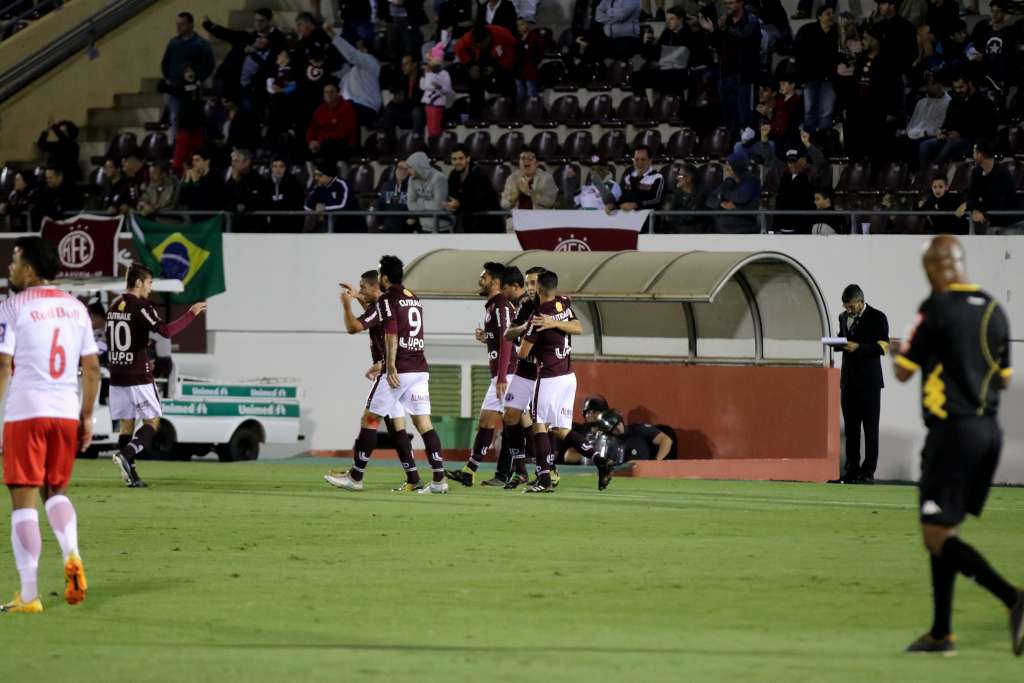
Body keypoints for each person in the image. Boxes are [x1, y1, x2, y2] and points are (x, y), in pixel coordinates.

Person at [893, 235, 1023, 656]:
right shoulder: (993, 310)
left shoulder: (934, 310)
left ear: (935, 267)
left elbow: (902, 372)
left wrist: (905, 352)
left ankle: (1013, 598)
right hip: (989, 434)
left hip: (952, 433)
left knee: (934, 534)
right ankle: (941, 632)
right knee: (944, 531)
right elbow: (1003, 378)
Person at [0, 237, 100, 614]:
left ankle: (29, 595)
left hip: (26, 411)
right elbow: (91, 369)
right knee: (55, 491)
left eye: (13, 261)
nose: (9, 268)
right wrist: (86, 416)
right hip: (63, 411)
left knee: (23, 499)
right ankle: (71, 552)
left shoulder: (12, 307)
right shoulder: (76, 310)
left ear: (29, 269)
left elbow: (3, 364)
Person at [326, 256, 449, 494]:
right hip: (419, 369)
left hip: (398, 371)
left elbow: (387, 332)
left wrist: (389, 365)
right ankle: (438, 480)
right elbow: (384, 319)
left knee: (370, 420)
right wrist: (359, 297)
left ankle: (356, 476)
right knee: (423, 424)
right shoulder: (412, 298)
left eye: (364, 285)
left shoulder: (387, 300)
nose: (362, 289)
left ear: (382, 278)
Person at [106, 264, 207, 488]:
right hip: (137, 375)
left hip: (117, 375)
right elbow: (166, 332)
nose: (150, 289)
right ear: (139, 282)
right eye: (150, 283)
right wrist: (191, 313)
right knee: (152, 421)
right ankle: (126, 454)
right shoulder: (141, 307)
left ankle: (131, 475)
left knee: (126, 425)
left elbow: (118, 339)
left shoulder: (114, 306)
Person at [517, 270, 591, 493]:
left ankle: (544, 478)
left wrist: (540, 328)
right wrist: (557, 323)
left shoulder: (538, 315)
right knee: (559, 429)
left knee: (538, 424)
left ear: (539, 289)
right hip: (568, 376)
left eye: (532, 284)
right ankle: (597, 457)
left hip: (549, 375)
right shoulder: (563, 303)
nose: (530, 288)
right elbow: (577, 327)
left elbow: (522, 353)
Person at [447, 263, 516, 487]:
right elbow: (501, 338)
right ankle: (469, 471)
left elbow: (507, 341)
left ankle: (537, 470)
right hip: (501, 374)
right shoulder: (493, 306)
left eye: (483, 276)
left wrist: (503, 376)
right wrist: (487, 337)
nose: (480, 280)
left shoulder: (502, 306)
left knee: (519, 424)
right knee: (489, 420)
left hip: (510, 374)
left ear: (495, 281)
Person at [833, 284, 889, 484]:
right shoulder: (843, 318)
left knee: (870, 429)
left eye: (850, 306)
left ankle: (868, 472)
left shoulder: (877, 317)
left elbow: (882, 346)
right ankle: (852, 471)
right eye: (846, 307)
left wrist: (859, 347)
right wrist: (836, 343)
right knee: (851, 429)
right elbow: (843, 340)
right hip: (849, 382)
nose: (848, 310)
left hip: (870, 383)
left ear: (860, 301)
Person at [501, 266, 545, 489]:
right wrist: (525, 327)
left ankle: (548, 470)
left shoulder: (553, 307)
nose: (530, 287)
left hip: (544, 372)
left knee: (546, 426)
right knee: (509, 416)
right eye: (527, 283)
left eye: (533, 283)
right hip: (523, 370)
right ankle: (520, 470)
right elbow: (509, 333)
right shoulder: (526, 306)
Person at [698, 0, 761, 138]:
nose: (728, 6)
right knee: (729, 119)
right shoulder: (725, 21)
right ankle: (732, 152)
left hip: (743, 76)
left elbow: (743, 36)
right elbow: (714, 44)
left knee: (745, 118)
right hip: (725, 75)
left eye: (731, 3)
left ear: (740, 3)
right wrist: (711, 30)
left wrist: (723, 28)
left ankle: (747, 153)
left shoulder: (750, 19)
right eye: (726, 3)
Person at [160, 12, 215, 141]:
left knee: (191, 120)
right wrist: (168, 78)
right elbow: (165, 62)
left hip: (191, 91)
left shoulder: (201, 44)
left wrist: (197, 77)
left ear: (190, 25)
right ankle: (176, 144)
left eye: (182, 24)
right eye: (177, 24)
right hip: (174, 88)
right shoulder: (173, 43)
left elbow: (209, 65)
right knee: (174, 117)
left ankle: (192, 146)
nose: (178, 27)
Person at [454, 25, 518, 120]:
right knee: (474, 84)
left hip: (501, 60)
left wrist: (497, 69)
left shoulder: (504, 35)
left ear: (488, 38)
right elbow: (458, 48)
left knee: (508, 82)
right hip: (480, 59)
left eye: (482, 45)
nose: (480, 47)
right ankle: (476, 117)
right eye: (477, 45)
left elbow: (512, 54)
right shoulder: (468, 37)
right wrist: (470, 65)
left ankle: (511, 115)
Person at [795, 7, 839, 133]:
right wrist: (800, 78)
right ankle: (810, 141)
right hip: (810, 77)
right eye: (828, 14)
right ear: (819, 16)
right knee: (810, 111)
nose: (831, 16)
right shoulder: (807, 30)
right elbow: (799, 55)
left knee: (826, 112)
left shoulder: (837, 31)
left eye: (832, 13)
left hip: (829, 78)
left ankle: (824, 142)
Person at [157, 64, 207, 174]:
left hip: (197, 127)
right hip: (184, 127)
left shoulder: (198, 87)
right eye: (187, 72)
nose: (190, 74)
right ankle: (178, 178)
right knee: (180, 156)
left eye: (192, 71)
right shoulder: (181, 87)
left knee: (197, 156)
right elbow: (162, 87)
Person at [959, 140, 1016, 235]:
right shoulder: (976, 172)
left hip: (1009, 223)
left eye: (974, 152)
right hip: (989, 222)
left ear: (980, 155)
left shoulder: (1002, 173)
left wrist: (977, 209)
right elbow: (970, 197)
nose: (973, 155)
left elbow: (996, 202)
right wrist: (974, 210)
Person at [632, 5, 690, 96]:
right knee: (635, 77)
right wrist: (646, 42)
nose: (668, 22)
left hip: (680, 73)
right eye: (667, 19)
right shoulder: (667, 32)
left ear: (680, 19)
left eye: (672, 19)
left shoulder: (687, 34)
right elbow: (651, 54)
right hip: (665, 70)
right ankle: (645, 107)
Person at [445, 143, 503, 233]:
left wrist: (459, 205)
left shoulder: (480, 175)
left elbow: (479, 202)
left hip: (489, 225)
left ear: (468, 158)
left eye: (460, 158)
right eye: (454, 159)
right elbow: (453, 197)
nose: (457, 162)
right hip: (469, 224)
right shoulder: (453, 175)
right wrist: (452, 206)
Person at [331, 32, 382, 126]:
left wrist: (332, 34)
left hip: (366, 107)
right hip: (351, 107)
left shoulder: (370, 61)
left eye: (360, 48)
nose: (358, 49)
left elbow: (352, 55)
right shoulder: (350, 72)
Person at [707, 151, 761, 234]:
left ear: (737, 166)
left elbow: (741, 197)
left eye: (729, 165)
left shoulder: (753, 181)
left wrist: (722, 195)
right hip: (724, 227)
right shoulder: (728, 182)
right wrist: (721, 203)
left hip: (745, 227)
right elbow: (710, 200)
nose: (726, 168)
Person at [306, 83, 359, 166]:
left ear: (338, 93)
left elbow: (344, 132)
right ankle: (311, 176)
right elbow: (312, 128)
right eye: (326, 92)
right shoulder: (320, 109)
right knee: (303, 148)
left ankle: (329, 175)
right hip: (322, 143)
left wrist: (320, 142)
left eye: (332, 92)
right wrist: (311, 141)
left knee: (329, 144)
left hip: (343, 143)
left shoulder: (347, 108)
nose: (329, 95)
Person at [904, 74, 951, 166]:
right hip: (916, 133)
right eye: (927, 85)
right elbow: (913, 124)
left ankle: (921, 175)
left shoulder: (948, 103)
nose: (927, 88)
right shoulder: (921, 102)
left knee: (920, 144)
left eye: (930, 84)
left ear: (939, 85)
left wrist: (925, 133)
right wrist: (915, 132)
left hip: (934, 135)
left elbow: (940, 127)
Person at [304, 161, 362, 232]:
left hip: (350, 228)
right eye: (315, 175)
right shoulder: (318, 188)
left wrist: (324, 208)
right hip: (330, 227)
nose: (316, 178)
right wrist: (315, 209)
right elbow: (308, 206)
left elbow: (343, 205)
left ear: (329, 175)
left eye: (319, 175)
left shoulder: (342, 184)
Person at [501, 147, 559, 215]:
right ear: (519, 163)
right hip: (517, 219)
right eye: (523, 158)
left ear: (537, 163)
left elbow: (551, 202)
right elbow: (504, 204)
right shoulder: (512, 179)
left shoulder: (546, 178)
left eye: (530, 158)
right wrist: (514, 195)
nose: (526, 161)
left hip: (539, 218)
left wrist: (529, 192)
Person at [224, 148, 270, 232]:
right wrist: (234, 182)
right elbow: (226, 202)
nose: (233, 164)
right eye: (233, 161)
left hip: (255, 229)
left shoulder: (258, 180)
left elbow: (257, 203)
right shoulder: (231, 180)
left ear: (247, 162)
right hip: (235, 229)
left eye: (237, 161)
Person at [381, 54, 426, 140]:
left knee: (416, 110)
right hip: (407, 113)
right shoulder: (402, 79)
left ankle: (417, 142)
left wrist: (405, 101)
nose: (403, 67)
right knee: (389, 110)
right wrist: (396, 101)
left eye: (406, 64)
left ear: (415, 64)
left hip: (421, 114)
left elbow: (423, 101)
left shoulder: (423, 77)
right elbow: (398, 97)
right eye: (402, 64)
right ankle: (390, 142)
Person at [619, 145, 666, 224]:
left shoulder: (657, 177)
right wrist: (615, 205)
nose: (639, 163)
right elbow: (623, 197)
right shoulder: (628, 177)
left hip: (648, 220)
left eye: (643, 159)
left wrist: (636, 204)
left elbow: (657, 200)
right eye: (636, 159)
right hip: (628, 219)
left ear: (650, 161)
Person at [406, 151, 450, 233]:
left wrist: (419, 201)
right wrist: (429, 203)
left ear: (418, 166)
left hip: (442, 229)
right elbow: (410, 204)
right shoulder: (411, 179)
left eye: (410, 167)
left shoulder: (439, 178)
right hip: (424, 228)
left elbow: (438, 206)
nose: (408, 171)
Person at [774, 148, 815, 234]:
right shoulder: (784, 178)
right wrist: (776, 224)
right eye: (789, 162)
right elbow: (779, 201)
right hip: (783, 224)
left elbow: (808, 203)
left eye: (794, 162)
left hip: (800, 226)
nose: (792, 165)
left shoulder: (807, 178)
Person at [421, 42, 456, 141]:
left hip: (437, 102)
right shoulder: (427, 73)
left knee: (435, 127)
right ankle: (433, 143)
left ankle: (437, 142)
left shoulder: (444, 74)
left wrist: (439, 86)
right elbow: (423, 86)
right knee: (430, 128)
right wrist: (425, 76)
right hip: (428, 102)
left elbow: (448, 89)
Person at [662, 163, 708, 233]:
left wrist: (678, 212)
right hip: (678, 230)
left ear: (689, 178)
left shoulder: (701, 192)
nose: (677, 178)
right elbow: (669, 216)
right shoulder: (677, 192)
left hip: (696, 231)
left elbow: (691, 217)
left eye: (680, 175)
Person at [177, 150, 224, 214]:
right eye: (193, 160)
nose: (193, 163)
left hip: (210, 219)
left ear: (207, 162)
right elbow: (182, 200)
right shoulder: (193, 177)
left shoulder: (215, 178)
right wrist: (187, 180)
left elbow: (205, 200)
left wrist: (196, 181)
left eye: (197, 160)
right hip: (193, 219)